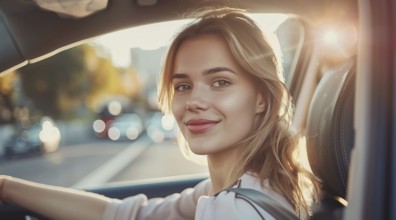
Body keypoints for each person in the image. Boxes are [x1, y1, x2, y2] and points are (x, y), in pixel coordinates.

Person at [0, 7, 321, 220]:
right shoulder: (228, 191)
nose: (194, 100)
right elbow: (126, 215)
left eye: (220, 82)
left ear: (262, 99)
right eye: (183, 86)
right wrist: (6, 186)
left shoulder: (235, 210)